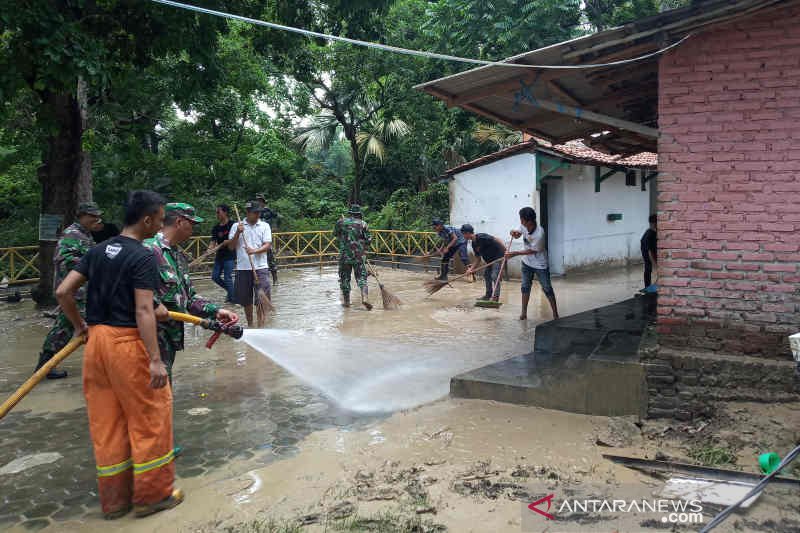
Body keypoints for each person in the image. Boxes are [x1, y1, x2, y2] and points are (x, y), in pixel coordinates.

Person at [56, 190, 183, 519]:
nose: (160, 224)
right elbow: (142, 310)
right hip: (127, 344)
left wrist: (80, 326)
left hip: (96, 344)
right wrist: (156, 360)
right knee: (151, 417)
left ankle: (115, 503)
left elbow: (63, 291)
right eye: (158, 218)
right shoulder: (142, 256)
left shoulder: (98, 250)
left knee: (107, 423)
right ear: (146, 219)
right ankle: (152, 497)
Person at [144, 203, 238, 381]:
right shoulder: (148, 250)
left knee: (161, 399)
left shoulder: (177, 255)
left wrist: (216, 311)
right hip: (146, 347)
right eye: (191, 224)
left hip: (167, 342)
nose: (193, 229)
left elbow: (189, 298)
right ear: (179, 222)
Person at [35, 201, 103, 379]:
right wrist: (91, 266)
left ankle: (47, 365)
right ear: (81, 216)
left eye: (97, 216)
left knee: (78, 327)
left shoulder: (84, 234)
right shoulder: (72, 234)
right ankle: (45, 367)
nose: (96, 219)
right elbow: (65, 259)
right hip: (74, 292)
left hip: (82, 291)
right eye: (92, 216)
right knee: (66, 328)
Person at [507, 207, 559, 320]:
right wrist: (513, 233)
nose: (520, 221)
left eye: (522, 219)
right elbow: (518, 234)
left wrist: (515, 253)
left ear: (529, 221)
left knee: (547, 288)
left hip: (540, 264)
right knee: (525, 287)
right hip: (527, 263)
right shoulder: (524, 225)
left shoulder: (539, 234)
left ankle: (555, 314)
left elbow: (532, 251)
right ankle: (523, 313)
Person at [228, 201, 272, 327]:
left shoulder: (264, 226)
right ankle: (250, 325)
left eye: (259, 212)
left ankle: (261, 326)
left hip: (261, 267)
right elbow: (231, 247)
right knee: (246, 300)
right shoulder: (237, 226)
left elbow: (267, 245)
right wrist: (237, 232)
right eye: (255, 212)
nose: (258, 215)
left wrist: (254, 251)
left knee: (261, 300)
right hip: (243, 268)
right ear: (247, 213)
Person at [334, 204, 372, 310]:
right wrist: (362, 246)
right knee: (362, 278)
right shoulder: (363, 224)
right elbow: (369, 240)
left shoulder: (340, 222)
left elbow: (336, 235)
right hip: (359, 256)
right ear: (359, 214)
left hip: (344, 257)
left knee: (344, 279)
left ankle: (346, 302)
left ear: (350, 213)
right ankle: (365, 298)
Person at [461, 224, 507, 302]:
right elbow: (478, 259)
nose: (463, 236)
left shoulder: (482, 237)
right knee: (486, 275)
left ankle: (495, 297)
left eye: (463, 234)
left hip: (498, 257)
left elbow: (496, 239)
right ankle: (488, 295)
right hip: (489, 260)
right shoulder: (473, 244)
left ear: (468, 233)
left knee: (494, 276)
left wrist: (505, 250)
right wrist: (471, 269)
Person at [210, 204, 235, 302]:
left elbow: (235, 238)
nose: (217, 214)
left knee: (227, 277)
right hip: (219, 255)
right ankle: (232, 292)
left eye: (218, 212)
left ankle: (233, 299)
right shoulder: (216, 228)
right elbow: (213, 241)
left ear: (225, 212)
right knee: (215, 277)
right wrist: (210, 249)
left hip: (230, 255)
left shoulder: (233, 225)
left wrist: (228, 242)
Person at [255, 194, 278, 285]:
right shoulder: (255, 211)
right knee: (257, 259)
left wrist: (274, 226)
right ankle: (258, 279)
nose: (258, 202)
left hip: (266, 238)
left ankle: (275, 279)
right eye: (257, 201)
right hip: (257, 238)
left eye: (260, 201)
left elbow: (277, 217)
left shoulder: (268, 211)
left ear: (263, 202)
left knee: (271, 258)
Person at [641, 214, 658, 289]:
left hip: (653, 251)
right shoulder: (648, 235)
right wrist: (655, 264)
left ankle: (657, 284)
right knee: (648, 268)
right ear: (653, 223)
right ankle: (647, 288)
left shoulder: (655, 232)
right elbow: (649, 253)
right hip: (647, 252)